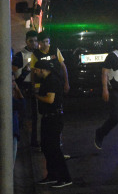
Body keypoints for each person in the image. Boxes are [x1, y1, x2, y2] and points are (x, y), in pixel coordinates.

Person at [34, 59, 72, 189]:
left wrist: (36, 96)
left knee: (54, 148)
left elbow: (50, 99)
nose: (35, 73)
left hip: (53, 118)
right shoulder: (47, 80)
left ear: (42, 70)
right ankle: (52, 175)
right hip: (48, 117)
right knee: (46, 147)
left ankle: (65, 177)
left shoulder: (52, 80)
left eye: (36, 70)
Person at [13, 31, 39, 148]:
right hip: (25, 89)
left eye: (35, 40)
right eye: (31, 41)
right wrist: (25, 71)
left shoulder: (40, 54)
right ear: (26, 41)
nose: (34, 43)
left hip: (37, 88)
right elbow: (15, 76)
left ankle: (34, 141)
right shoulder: (20, 55)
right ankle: (22, 143)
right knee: (24, 117)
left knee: (35, 117)